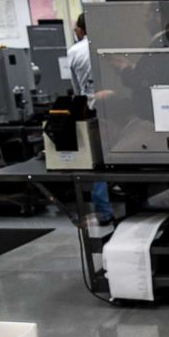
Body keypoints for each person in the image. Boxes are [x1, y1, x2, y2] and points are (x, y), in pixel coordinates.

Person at [66, 13, 113, 223]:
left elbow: (76, 87)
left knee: (98, 160)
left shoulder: (75, 51)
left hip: (91, 108)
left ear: (82, 29)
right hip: (116, 108)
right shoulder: (109, 46)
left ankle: (103, 210)